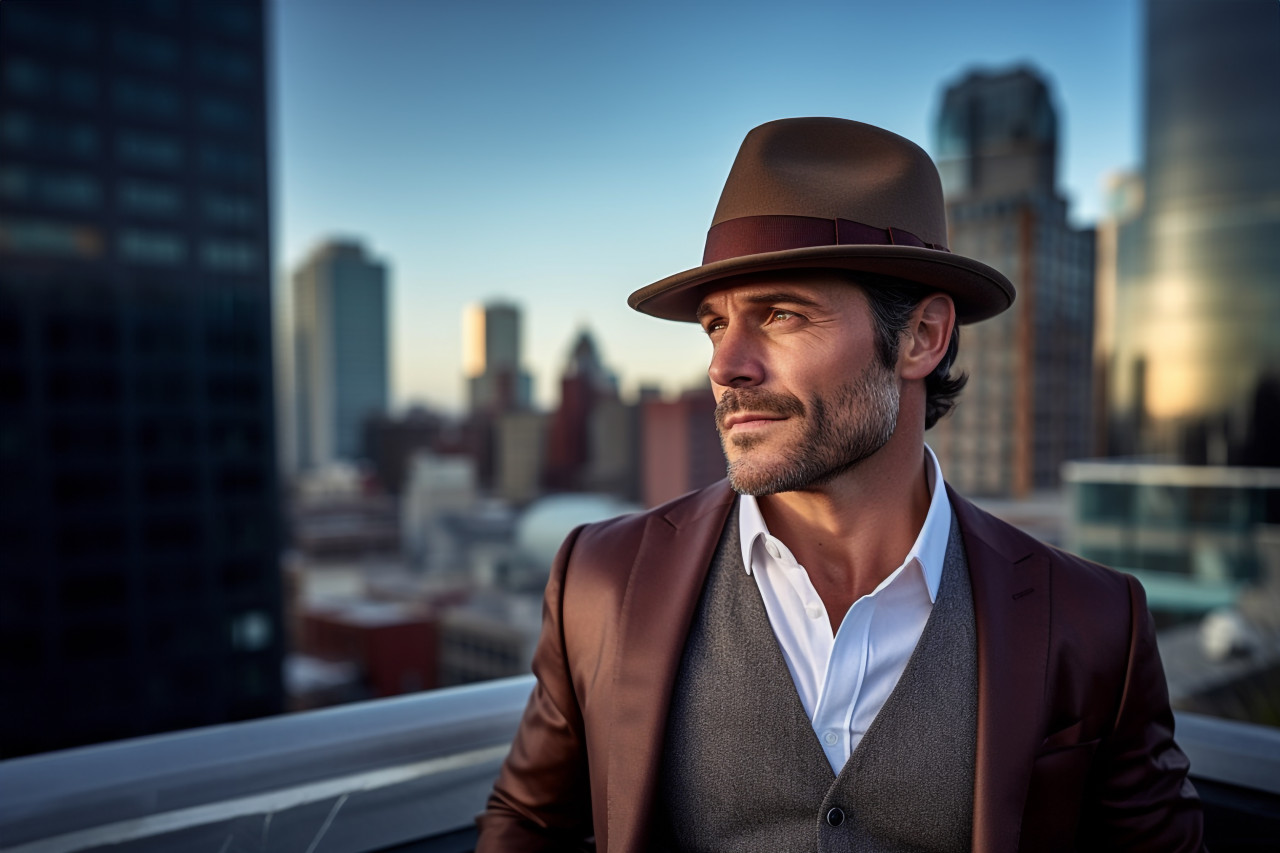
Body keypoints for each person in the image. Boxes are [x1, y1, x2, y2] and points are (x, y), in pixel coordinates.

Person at [476, 117, 1204, 852]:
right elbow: (530, 822)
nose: (726, 365)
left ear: (923, 336)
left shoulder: (1091, 619)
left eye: (782, 314)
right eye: (714, 325)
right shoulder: (602, 581)